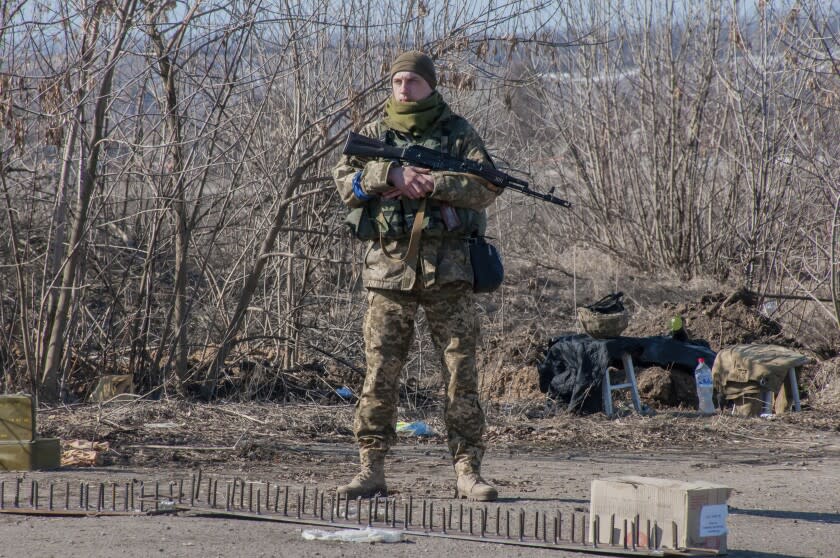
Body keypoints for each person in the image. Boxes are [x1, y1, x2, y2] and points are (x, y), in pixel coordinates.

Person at [332, 51, 501, 501]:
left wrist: (435, 183)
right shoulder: (373, 134)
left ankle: (468, 470)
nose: (403, 90)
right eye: (397, 82)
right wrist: (390, 173)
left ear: (430, 85)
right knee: (379, 374)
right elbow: (343, 185)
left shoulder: (457, 132)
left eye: (412, 82)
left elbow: (488, 185)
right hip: (389, 273)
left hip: (450, 275)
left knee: (460, 375)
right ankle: (371, 469)